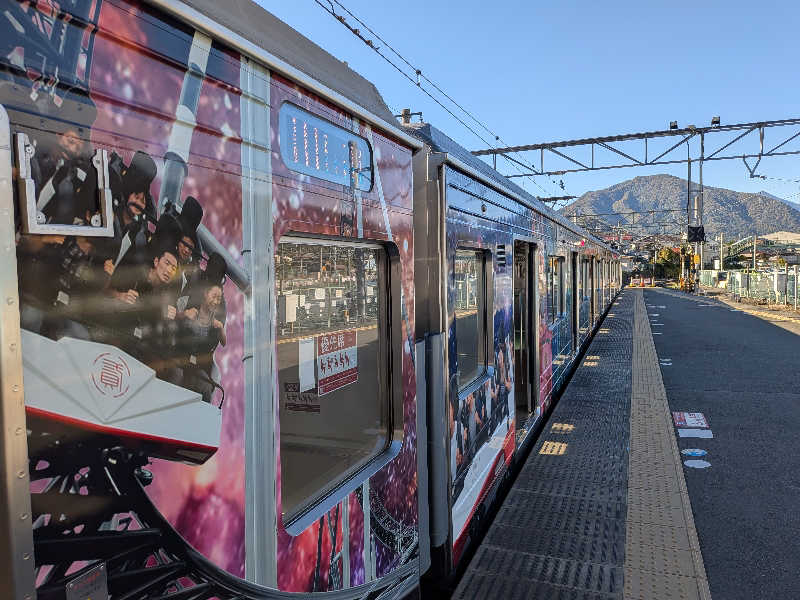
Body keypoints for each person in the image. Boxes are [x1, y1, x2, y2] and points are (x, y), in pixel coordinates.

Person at [171, 252, 228, 402]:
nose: (215, 301)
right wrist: (183, 315)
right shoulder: (194, 281)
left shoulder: (220, 301)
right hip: (179, 351)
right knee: (176, 377)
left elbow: (219, 339)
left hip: (201, 360)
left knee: (204, 386)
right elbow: (177, 309)